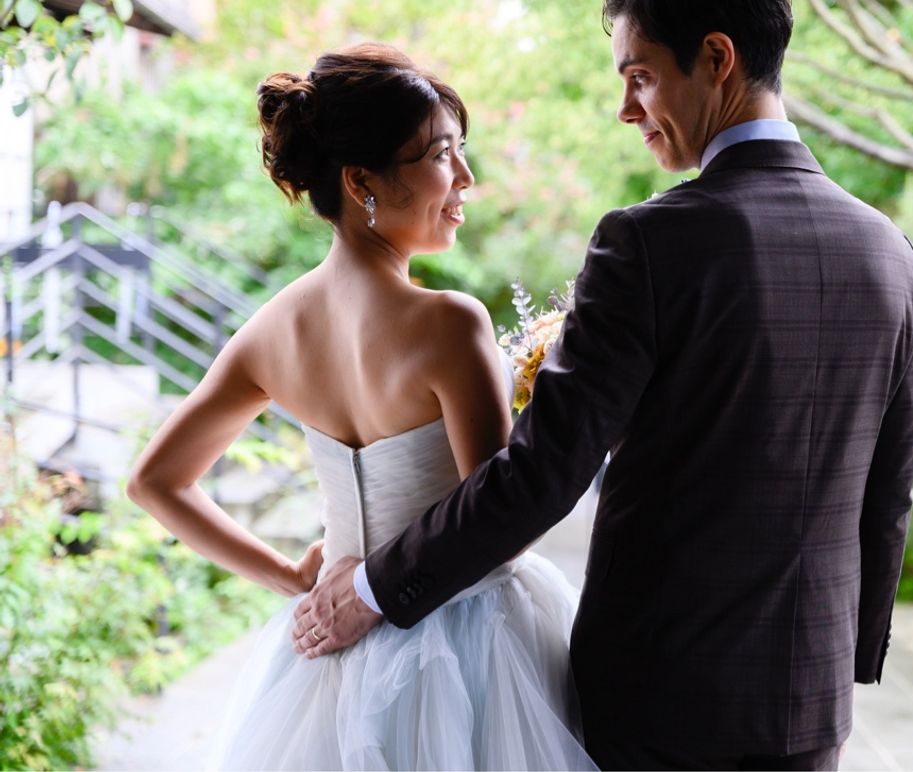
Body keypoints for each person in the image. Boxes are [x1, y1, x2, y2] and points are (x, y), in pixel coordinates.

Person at [298, 0, 913, 770]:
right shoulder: (888, 252)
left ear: (717, 59)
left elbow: (540, 475)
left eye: (640, 77)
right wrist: (846, 655)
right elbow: (888, 493)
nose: (627, 109)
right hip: (809, 703)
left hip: (659, 699)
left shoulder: (650, 243)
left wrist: (374, 589)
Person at [126, 43, 595, 770]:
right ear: (361, 181)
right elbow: (501, 530)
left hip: (326, 658)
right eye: (442, 154)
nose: (466, 177)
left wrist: (293, 580)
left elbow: (155, 482)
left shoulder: (271, 330)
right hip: (472, 643)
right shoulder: (450, 323)